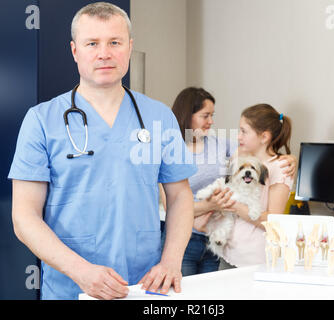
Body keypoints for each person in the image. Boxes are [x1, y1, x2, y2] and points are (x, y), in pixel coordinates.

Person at [8, 2, 197, 300]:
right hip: (69, 288)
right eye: (92, 43)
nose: (104, 53)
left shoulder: (159, 117)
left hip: (143, 285)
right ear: (75, 51)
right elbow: (24, 216)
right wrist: (81, 271)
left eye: (115, 42)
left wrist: (171, 261)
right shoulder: (41, 120)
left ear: (129, 47)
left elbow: (180, 196)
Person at [161, 87, 297, 276]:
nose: (211, 121)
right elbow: (171, 208)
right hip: (186, 237)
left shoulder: (221, 145)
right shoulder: (168, 150)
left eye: (212, 115)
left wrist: (291, 159)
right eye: (205, 115)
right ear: (188, 115)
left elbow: (263, 150)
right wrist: (212, 204)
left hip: (218, 242)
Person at [220, 103, 294, 269]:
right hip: (229, 252)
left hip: (253, 260)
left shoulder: (280, 167)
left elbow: (273, 220)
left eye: (244, 131)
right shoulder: (241, 158)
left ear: (264, 137)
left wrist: (234, 205)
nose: (238, 137)